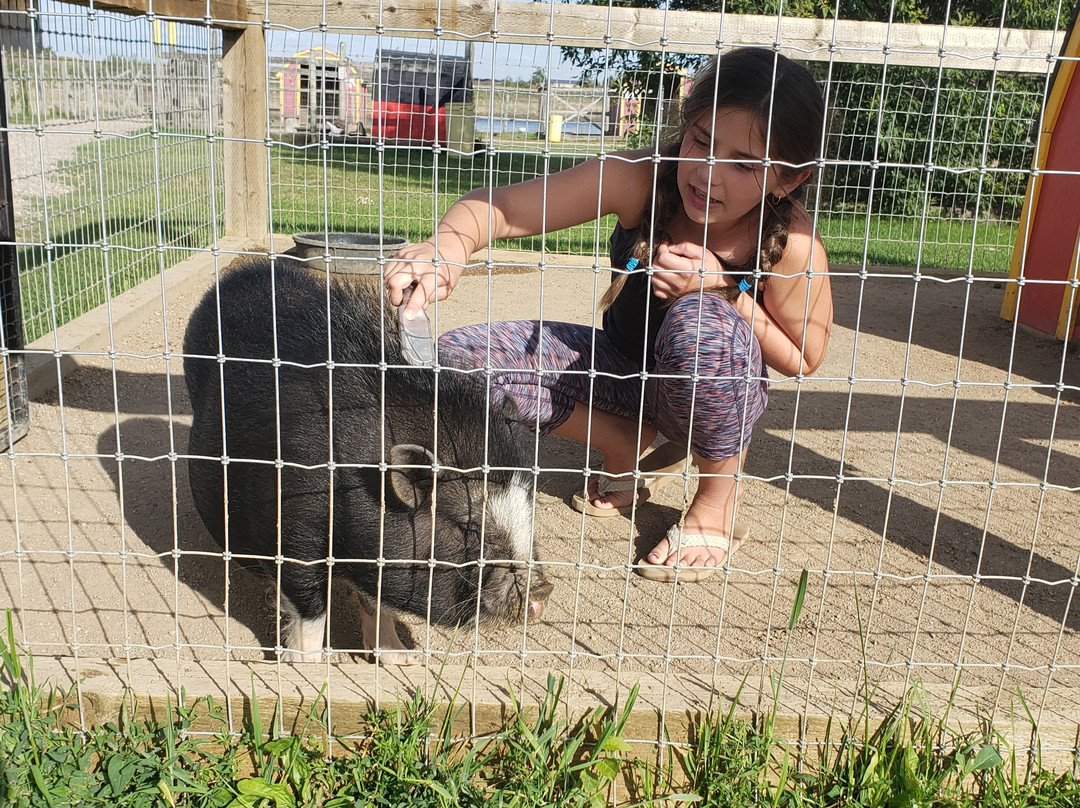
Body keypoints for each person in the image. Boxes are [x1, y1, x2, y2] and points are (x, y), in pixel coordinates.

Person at [384, 47, 832, 582]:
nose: (708, 173)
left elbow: (805, 358)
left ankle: (717, 499)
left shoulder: (794, 243)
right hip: (620, 370)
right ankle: (623, 438)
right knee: (457, 361)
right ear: (684, 125)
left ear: (788, 179)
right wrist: (446, 249)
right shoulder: (640, 178)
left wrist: (725, 289)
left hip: (715, 392)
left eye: (742, 163)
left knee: (699, 325)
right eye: (701, 141)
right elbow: (501, 209)